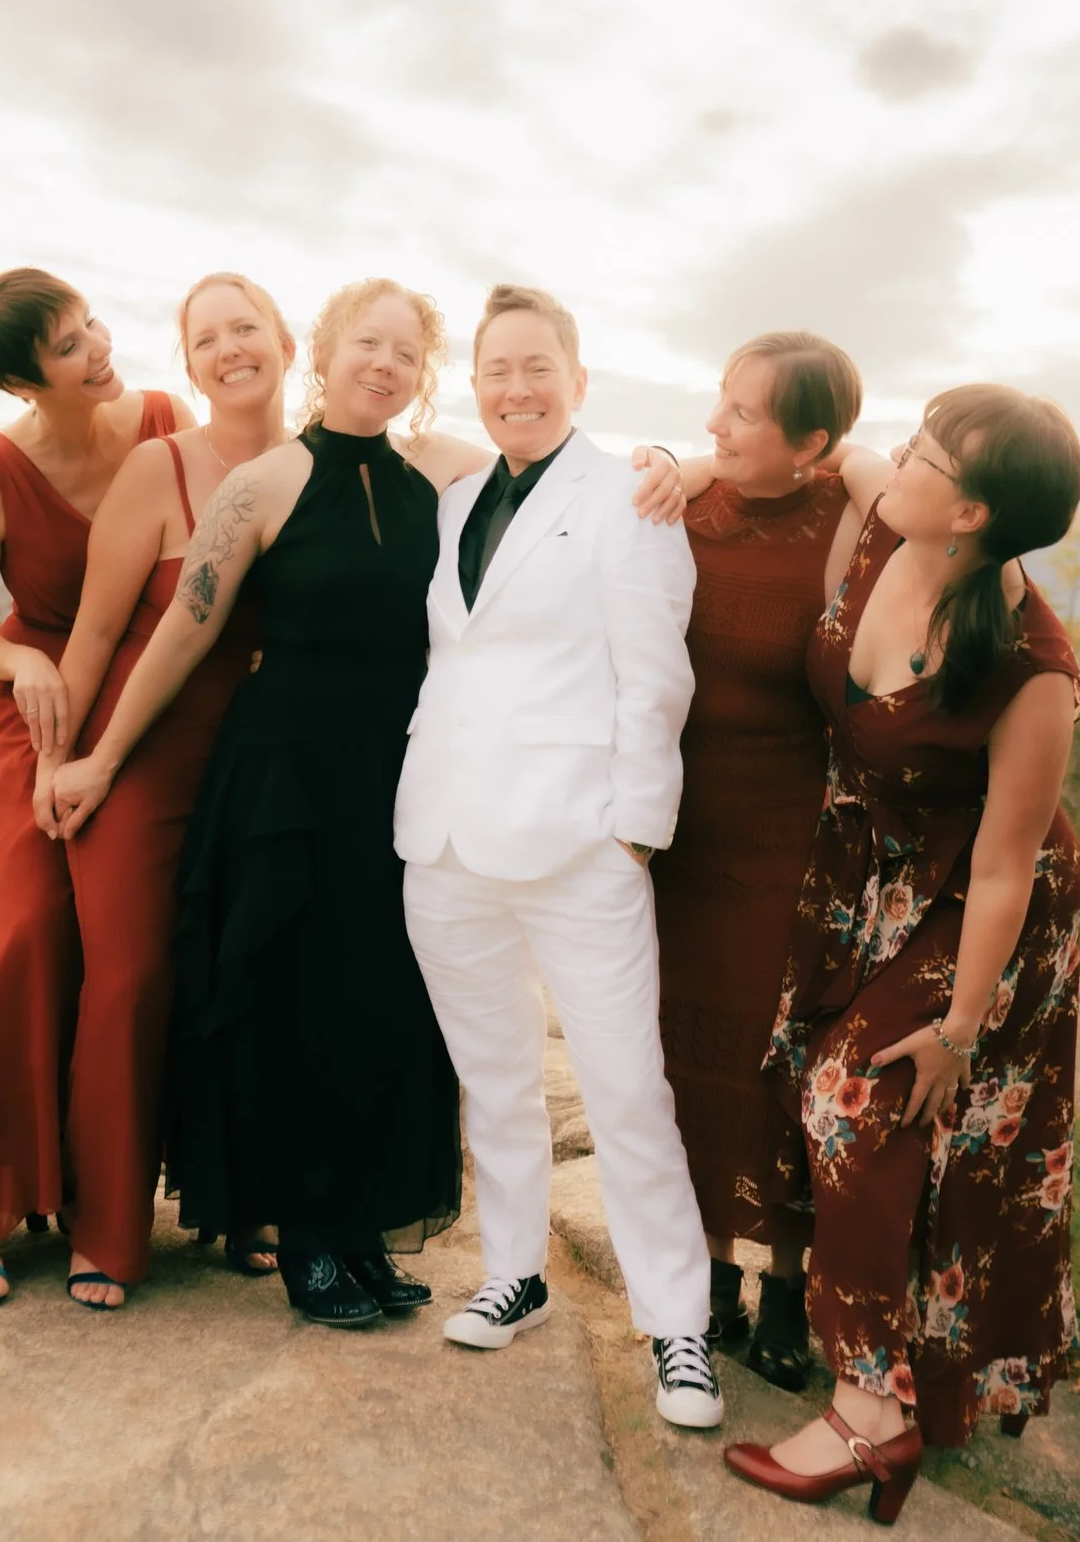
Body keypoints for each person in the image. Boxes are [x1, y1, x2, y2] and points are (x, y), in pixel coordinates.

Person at [55, 279, 691, 1328]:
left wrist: (672, 463)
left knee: (381, 1013)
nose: (384, 365)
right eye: (367, 345)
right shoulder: (259, 485)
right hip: (285, 782)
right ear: (326, 350)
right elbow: (186, 628)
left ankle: (360, 1227)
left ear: (423, 373)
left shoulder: (444, 476)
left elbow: (566, 479)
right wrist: (103, 754)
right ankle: (304, 1234)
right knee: (297, 1008)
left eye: (405, 352)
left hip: (403, 786)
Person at [721, 384, 1080, 1525]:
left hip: (972, 900)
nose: (905, 459)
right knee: (817, 1090)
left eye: (929, 452)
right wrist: (673, 466)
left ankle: (871, 1414)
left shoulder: (1030, 669)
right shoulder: (892, 510)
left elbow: (1005, 862)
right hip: (862, 870)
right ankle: (861, 1356)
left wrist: (963, 1026)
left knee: (863, 1100)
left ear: (970, 512)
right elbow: (826, 461)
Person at [396, 284, 723, 1430]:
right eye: (496, 369)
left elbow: (657, 673)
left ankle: (677, 1324)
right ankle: (515, 1269)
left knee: (626, 1088)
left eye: (538, 366)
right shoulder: (459, 495)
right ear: (473, 385)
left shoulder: (631, 492)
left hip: (579, 836)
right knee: (492, 1077)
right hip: (441, 834)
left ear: (578, 380)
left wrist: (635, 828)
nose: (517, 387)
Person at [0, 268, 201, 1308]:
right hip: (30, 713)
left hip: (151, 702)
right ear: (24, 383)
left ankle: (110, 1213)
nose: (100, 350)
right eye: (71, 346)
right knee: (24, 929)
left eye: (92, 327)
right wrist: (20, 661)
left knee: (129, 948)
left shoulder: (168, 423)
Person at [34, 272, 293, 1297]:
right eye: (206, 339)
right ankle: (104, 1221)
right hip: (146, 752)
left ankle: (244, 1202)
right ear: (187, 365)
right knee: (135, 977)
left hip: (268, 764)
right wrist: (65, 759)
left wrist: (662, 459)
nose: (229, 350)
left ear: (283, 338)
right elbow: (94, 629)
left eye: (246, 328)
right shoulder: (159, 466)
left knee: (257, 978)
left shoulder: (324, 461)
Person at [651, 332, 882, 1392]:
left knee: (772, 1060)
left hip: (786, 834)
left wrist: (854, 465)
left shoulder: (843, 522)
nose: (716, 425)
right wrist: (695, 464)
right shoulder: (683, 506)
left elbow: (884, 484)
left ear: (816, 444)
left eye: (744, 414)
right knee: (680, 1057)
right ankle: (702, 1279)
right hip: (677, 830)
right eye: (720, 402)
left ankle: (785, 1283)